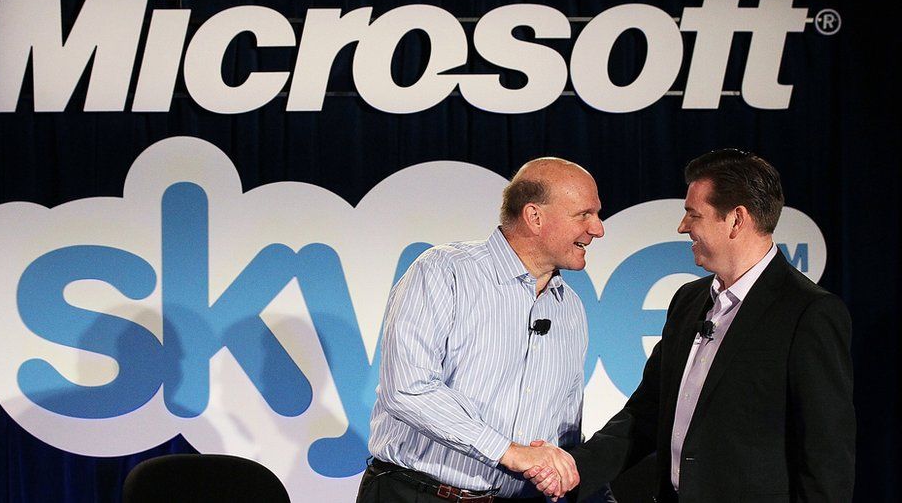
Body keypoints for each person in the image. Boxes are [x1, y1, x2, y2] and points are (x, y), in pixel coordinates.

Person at [526, 149, 855, 502]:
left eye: (693, 214)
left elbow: (827, 458)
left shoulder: (809, 313)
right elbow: (645, 415)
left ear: (736, 220)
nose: (683, 227)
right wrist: (575, 471)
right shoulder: (688, 301)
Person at [356, 158, 605, 502]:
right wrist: (508, 451)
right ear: (535, 217)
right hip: (417, 494)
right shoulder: (445, 272)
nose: (598, 229)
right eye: (584, 214)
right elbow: (408, 390)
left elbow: (564, 430)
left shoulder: (570, 307)